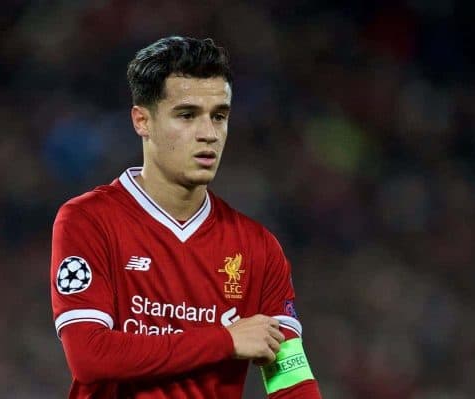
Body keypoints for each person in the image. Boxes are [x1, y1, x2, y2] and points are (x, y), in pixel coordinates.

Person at [50, 36, 322, 399]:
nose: (209, 134)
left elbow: (291, 382)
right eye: (187, 115)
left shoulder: (257, 248)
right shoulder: (89, 220)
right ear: (142, 121)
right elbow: (91, 356)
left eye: (219, 116)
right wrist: (225, 340)